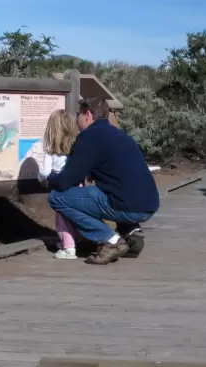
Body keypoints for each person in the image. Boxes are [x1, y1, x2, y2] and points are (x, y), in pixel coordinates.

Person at [47, 96, 159, 265]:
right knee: (109, 192)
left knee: (57, 197)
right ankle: (130, 234)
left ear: (88, 115)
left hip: (125, 205)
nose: (77, 119)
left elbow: (66, 181)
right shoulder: (119, 135)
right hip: (149, 204)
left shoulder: (89, 136)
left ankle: (110, 240)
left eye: (79, 114)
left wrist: (49, 179)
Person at [38, 110, 81, 260]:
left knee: (62, 220)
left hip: (61, 191)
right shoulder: (76, 149)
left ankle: (68, 248)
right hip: (78, 187)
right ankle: (76, 241)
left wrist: (41, 179)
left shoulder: (51, 152)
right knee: (76, 217)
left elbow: (44, 172)